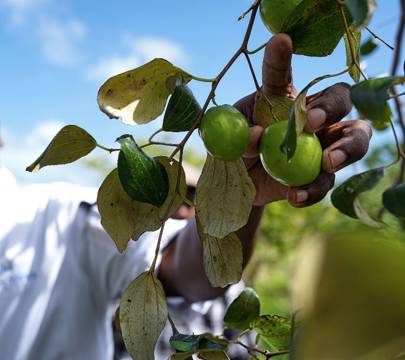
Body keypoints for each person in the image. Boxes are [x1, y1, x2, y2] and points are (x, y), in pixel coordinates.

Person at [0, 34, 371, 360]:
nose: (182, 206)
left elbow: (189, 277)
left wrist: (234, 194)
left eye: (190, 199)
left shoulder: (62, 222)